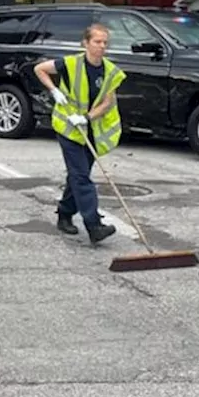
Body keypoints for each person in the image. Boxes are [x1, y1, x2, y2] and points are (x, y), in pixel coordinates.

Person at [32, 23, 126, 245]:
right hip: (68, 128)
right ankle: (94, 225)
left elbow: (107, 101)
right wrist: (54, 91)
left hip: (90, 129)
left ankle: (65, 214)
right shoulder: (70, 63)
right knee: (81, 176)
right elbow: (39, 69)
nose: (102, 46)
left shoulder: (110, 71)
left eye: (105, 42)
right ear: (85, 43)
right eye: (97, 42)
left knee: (76, 175)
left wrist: (87, 118)